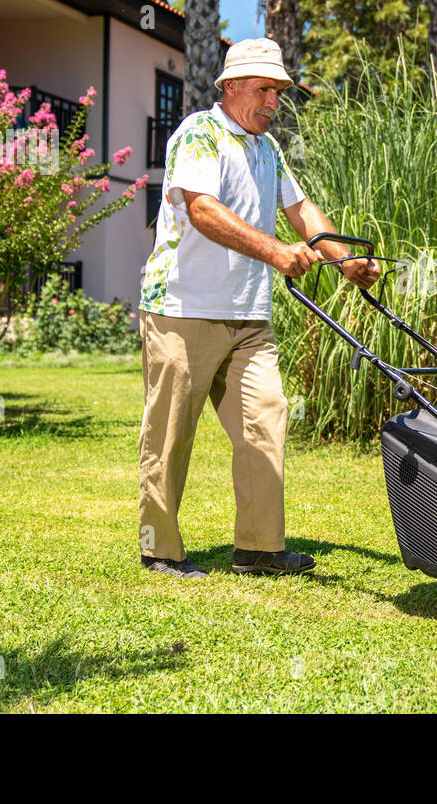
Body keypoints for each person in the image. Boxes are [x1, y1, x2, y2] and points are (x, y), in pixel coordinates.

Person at [136, 37, 378, 578]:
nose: (274, 101)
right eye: (264, 89)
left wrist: (343, 262)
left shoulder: (269, 149)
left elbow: (301, 210)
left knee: (265, 420)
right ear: (231, 86)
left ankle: (259, 547)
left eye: (279, 91)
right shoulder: (199, 133)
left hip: (248, 317)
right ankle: (160, 549)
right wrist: (274, 252)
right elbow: (202, 210)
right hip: (182, 308)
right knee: (170, 434)